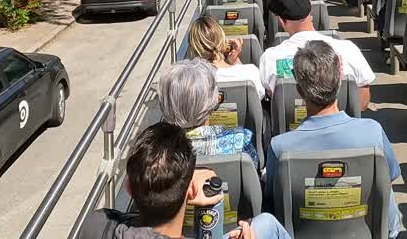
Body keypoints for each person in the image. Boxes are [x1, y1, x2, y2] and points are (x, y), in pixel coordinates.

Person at [262, 41, 402, 236]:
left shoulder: (279, 147)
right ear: (339, 82)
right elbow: (392, 177)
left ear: (300, 91)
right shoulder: (373, 132)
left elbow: (272, 199)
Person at [80, 122, 288, 239]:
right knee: (268, 223)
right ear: (191, 191)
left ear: (129, 188)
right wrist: (186, 184)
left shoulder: (94, 225)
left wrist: (182, 183)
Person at [258, 0, 374, 110]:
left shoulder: (270, 57)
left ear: (281, 21)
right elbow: (362, 103)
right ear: (310, 11)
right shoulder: (348, 49)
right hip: (343, 127)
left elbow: (272, 102)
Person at [158, 60, 257, 164]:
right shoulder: (241, 141)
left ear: (165, 103)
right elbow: (254, 169)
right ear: (212, 102)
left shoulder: (154, 152)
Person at [188, 15, 266, 100]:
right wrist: (236, 62)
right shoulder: (251, 72)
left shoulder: (191, 82)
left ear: (194, 49)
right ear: (223, 41)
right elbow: (258, 100)